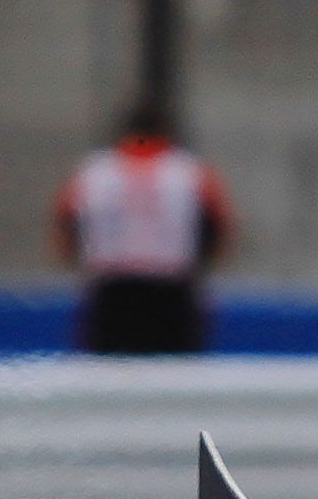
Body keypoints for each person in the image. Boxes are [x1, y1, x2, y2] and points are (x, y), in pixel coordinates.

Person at [52, 98, 231, 355]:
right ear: (166, 131)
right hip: (171, 291)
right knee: (175, 380)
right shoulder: (191, 173)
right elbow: (221, 228)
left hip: (111, 291)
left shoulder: (93, 172)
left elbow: (63, 229)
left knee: (105, 380)